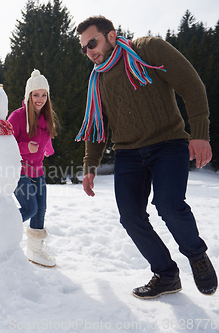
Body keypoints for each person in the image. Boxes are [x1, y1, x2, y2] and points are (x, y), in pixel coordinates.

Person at [76, 15, 217, 299]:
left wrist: (200, 134)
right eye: (83, 47)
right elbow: (97, 127)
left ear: (112, 36)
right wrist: (90, 166)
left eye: (92, 42)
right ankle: (166, 274)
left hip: (168, 143)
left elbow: (191, 85)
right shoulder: (98, 79)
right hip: (128, 153)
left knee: (168, 204)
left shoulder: (147, 51)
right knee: (130, 217)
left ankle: (197, 256)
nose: (89, 51)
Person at [8, 69, 59, 267]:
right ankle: (0, 229)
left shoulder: (46, 117)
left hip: (37, 171)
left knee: (41, 210)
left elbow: (44, 139)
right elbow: (5, 145)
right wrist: (24, 147)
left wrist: (47, 149)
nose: (40, 99)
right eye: (36, 95)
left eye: (44, 95)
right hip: (18, 171)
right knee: (30, 208)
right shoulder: (17, 117)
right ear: (29, 95)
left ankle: (35, 251)